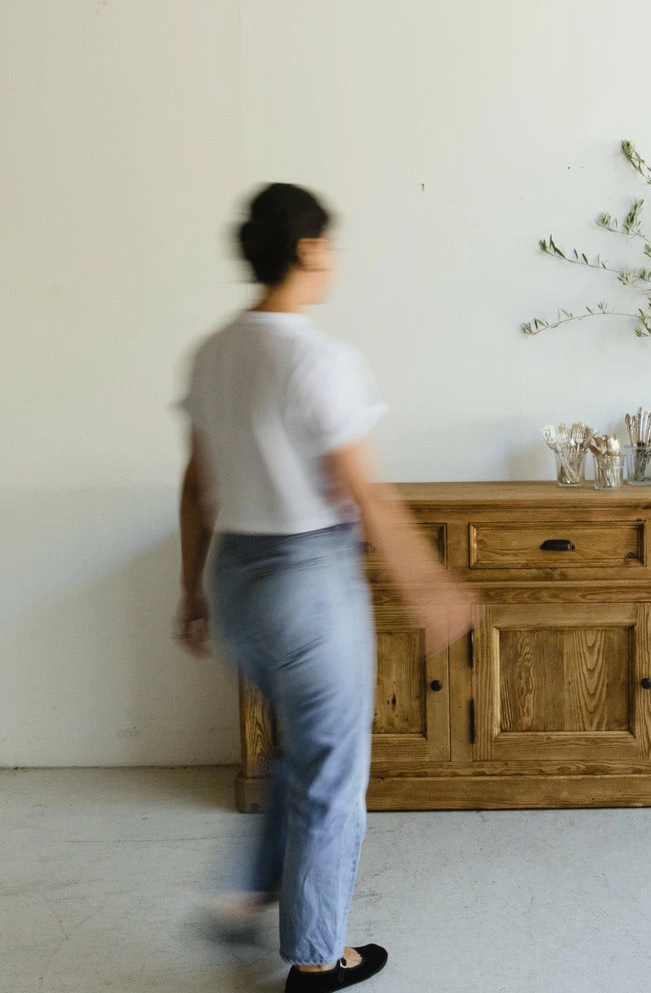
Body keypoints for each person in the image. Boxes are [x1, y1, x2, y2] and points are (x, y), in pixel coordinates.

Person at [175, 182, 473, 990]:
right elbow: (367, 493)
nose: (333, 257)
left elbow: (196, 483)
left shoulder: (212, 353)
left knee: (296, 754)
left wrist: (192, 592)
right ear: (306, 249)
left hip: (236, 578)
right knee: (332, 772)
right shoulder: (319, 359)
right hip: (308, 586)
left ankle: (245, 896)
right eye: (328, 244)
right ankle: (315, 956)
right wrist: (428, 586)